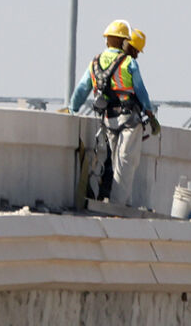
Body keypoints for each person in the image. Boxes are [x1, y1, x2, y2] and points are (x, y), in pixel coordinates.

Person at [68, 19, 159, 205]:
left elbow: (81, 90)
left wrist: (72, 109)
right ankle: (118, 204)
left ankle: (120, 201)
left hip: (109, 120)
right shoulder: (129, 62)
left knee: (118, 160)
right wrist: (150, 114)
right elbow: (140, 90)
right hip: (129, 120)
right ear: (124, 41)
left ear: (107, 40)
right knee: (125, 163)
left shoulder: (94, 62)